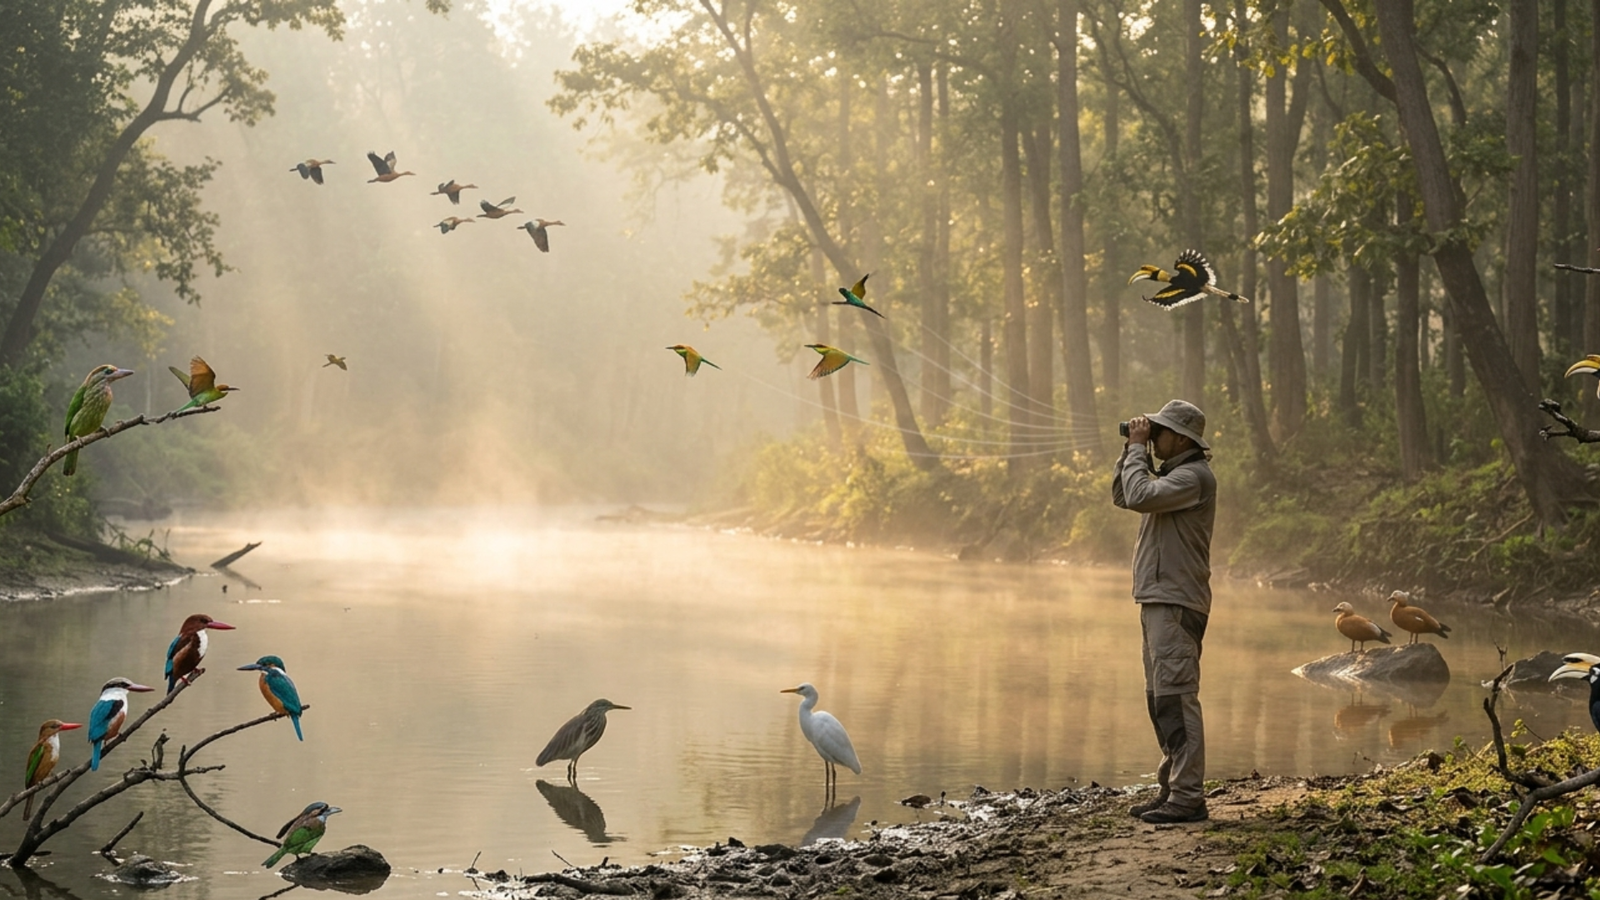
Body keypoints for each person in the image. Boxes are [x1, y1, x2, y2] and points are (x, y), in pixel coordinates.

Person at [1111, 399, 1216, 824]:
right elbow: (1123, 494)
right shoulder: (1172, 476)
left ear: (1182, 438)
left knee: (1177, 697)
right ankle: (1174, 788)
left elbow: (1138, 495)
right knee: (1161, 700)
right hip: (1159, 599)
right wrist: (1130, 451)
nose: (1152, 436)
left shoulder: (1193, 477)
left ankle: (1188, 797)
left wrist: (1138, 448)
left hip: (1176, 602)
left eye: (1159, 431)